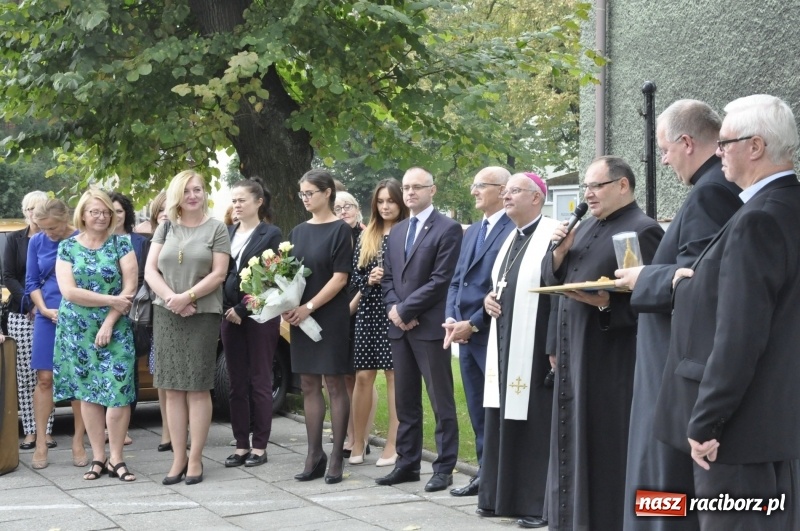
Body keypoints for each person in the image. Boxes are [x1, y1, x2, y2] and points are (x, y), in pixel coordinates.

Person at [654, 94, 800, 531]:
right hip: (773, 423)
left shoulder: (760, 217)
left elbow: (740, 333)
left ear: (755, 147)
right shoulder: (784, 207)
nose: (717, 152)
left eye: (724, 142)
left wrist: (707, 420)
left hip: (737, 432)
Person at [614, 100, 742, 531]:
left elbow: (700, 282)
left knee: (665, 481)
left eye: (665, 149)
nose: (664, 159)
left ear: (687, 142)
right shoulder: (712, 190)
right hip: (669, 362)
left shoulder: (710, 193)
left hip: (673, 365)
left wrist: (643, 278)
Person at [541, 156, 663, 530]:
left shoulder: (643, 230)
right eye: (587, 188)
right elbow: (557, 287)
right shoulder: (586, 226)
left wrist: (608, 302)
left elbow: (651, 302)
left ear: (622, 185)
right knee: (571, 437)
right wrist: (559, 251)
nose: (588, 195)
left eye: (597, 186)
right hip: (573, 349)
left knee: (603, 442)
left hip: (610, 356)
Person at [479, 173, 559, 528]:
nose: (506, 196)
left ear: (537, 198)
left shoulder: (553, 236)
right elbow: (500, 284)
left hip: (536, 346)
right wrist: (488, 300)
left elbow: (559, 291)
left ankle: (533, 502)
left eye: (514, 191)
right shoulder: (511, 237)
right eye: (505, 191)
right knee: (502, 416)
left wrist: (554, 344)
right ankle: (500, 496)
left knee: (533, 422)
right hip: (504, 343)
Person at [377, 167, 462, 492]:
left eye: (417, 187)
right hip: (401, 328)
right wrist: (394, 310)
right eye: (407, 187)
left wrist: (405, 310)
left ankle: (444, 468)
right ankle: (407, 463)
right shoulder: (397, 232)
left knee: (441, 401)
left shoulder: (448, 228)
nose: (410, 192)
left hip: (428, 327)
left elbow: (441, 279)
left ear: (432, 190)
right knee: (406, 401)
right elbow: (387, 277)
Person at [145, 170, 230, 486]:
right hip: (167, 313)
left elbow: (219, 273)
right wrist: (171, 299)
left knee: (196, 387)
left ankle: (195, 459)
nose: (194, 195)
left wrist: (188, 297)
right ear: (177, 195)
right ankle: (178, 457)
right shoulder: (165, 227)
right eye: (187, 190)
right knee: (172, 389)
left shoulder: (216, 228)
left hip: (202, 313)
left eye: (198, 189)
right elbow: (150, 270)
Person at [53, 189, 138, 481]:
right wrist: (110, 299)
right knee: (88, 394)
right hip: (77, 330)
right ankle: (98, 458)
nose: (101, 217)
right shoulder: (67, 247)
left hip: (115, 327)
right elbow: (69, 292)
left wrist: (111, 319)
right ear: (83, 215)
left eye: (106, 212)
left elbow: (129, 288)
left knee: (119, 393)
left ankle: (117, 458)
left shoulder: (121, 245)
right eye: (95, 212)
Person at [444, 166, 514, 497]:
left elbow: (500, 287)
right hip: (464, 334)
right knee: (476, 408)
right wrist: (451, 319)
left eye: (480, 186)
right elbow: (457, 279)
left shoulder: (513, 229)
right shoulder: (472, 231)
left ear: (502, 190)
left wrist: (472, 323)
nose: (473, 191)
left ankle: (502, 477)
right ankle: (484, 474)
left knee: (497, 409)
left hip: (490, 332)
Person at [283, 169, 353, 484]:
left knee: (334, 384)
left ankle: (337, 454)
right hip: (300, 317)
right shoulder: (297, 232)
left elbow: (340, 278)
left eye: (310, 192)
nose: (305, 199)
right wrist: (284, 303)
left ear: (327, 193)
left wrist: (309, 306)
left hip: (329, 316)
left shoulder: (341, 230)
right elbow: (288, 274)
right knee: (309, 384)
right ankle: (314, 453)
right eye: (302, 194)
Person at [221, 177, 282, 468]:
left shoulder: (270, 234)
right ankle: (241, 443)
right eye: (234, 200)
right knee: (235, 382)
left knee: (259, 379)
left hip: (258, 317)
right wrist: (226, 308)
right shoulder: (226, 233)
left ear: (258, 202)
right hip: (227, 316)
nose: (236, 205)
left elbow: (272, 280)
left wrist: (243, 309)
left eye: (242, 200)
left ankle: (260, 445)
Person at [349, 179, 409, 466]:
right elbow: (355, 275)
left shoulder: (408, 231)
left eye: (391, 201)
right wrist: (369, 278)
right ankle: (358, 440)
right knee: (362, 376)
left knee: (394, 376)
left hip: (394, 309)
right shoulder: (366, 234)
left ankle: (394, 444)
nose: (386, 206)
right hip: (369, 309)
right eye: (381, 201)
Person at [27, 198, 87, 469]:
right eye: (42, 228)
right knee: (44, 378)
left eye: (51, 227)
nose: (47, 233)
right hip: (46, 316)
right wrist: (44, 309)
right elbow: (31, 282)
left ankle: (78, 441)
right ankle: (41, 441)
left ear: (65, 219)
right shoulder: (36, 242)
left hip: (78, 316)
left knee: (77, 379)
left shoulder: (81, 239)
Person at [2, 191, 56, 451]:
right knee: (25, 376)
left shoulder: (56, 238)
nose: (35, 212)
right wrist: (31, 302)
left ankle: (47, 430)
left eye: (40, 207)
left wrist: (44, 305)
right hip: (21, 314)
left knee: (49, 374)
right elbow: (9, 276)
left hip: (52, 311)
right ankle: (31, 431)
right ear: (25, 212)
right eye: (30, 208)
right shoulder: (14, 239)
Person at [110, 191, 151, 446]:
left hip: (132, 311)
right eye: (109, 210)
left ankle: (124, 426)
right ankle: (106, 426)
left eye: (119, 211)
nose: (114, 216)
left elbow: (145, 277)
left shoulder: (139, 241)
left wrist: (126, 301)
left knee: (129, 370)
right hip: (100, 312)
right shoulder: (93, 241)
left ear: (127, 214)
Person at [137, 190, 173, 451]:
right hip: (157, 314)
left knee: (183, 376)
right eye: (159, 210)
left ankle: (184, 430)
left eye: (168, 209)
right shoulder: (149, 244)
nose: (164, 214)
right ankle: (167, 432)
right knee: (160, 373)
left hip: (186, 309)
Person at [334, 190, 366, 457]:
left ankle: (361, 437)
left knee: (361, 377)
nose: (343, 211)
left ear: (357, 210)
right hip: (333, 311)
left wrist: (350, 307)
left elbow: (365, 278)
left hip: (359, 310)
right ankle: (349, 434)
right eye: (337, 208)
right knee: (341, 377)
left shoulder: (365, 236)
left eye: (348, 206)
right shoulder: (331, 235)